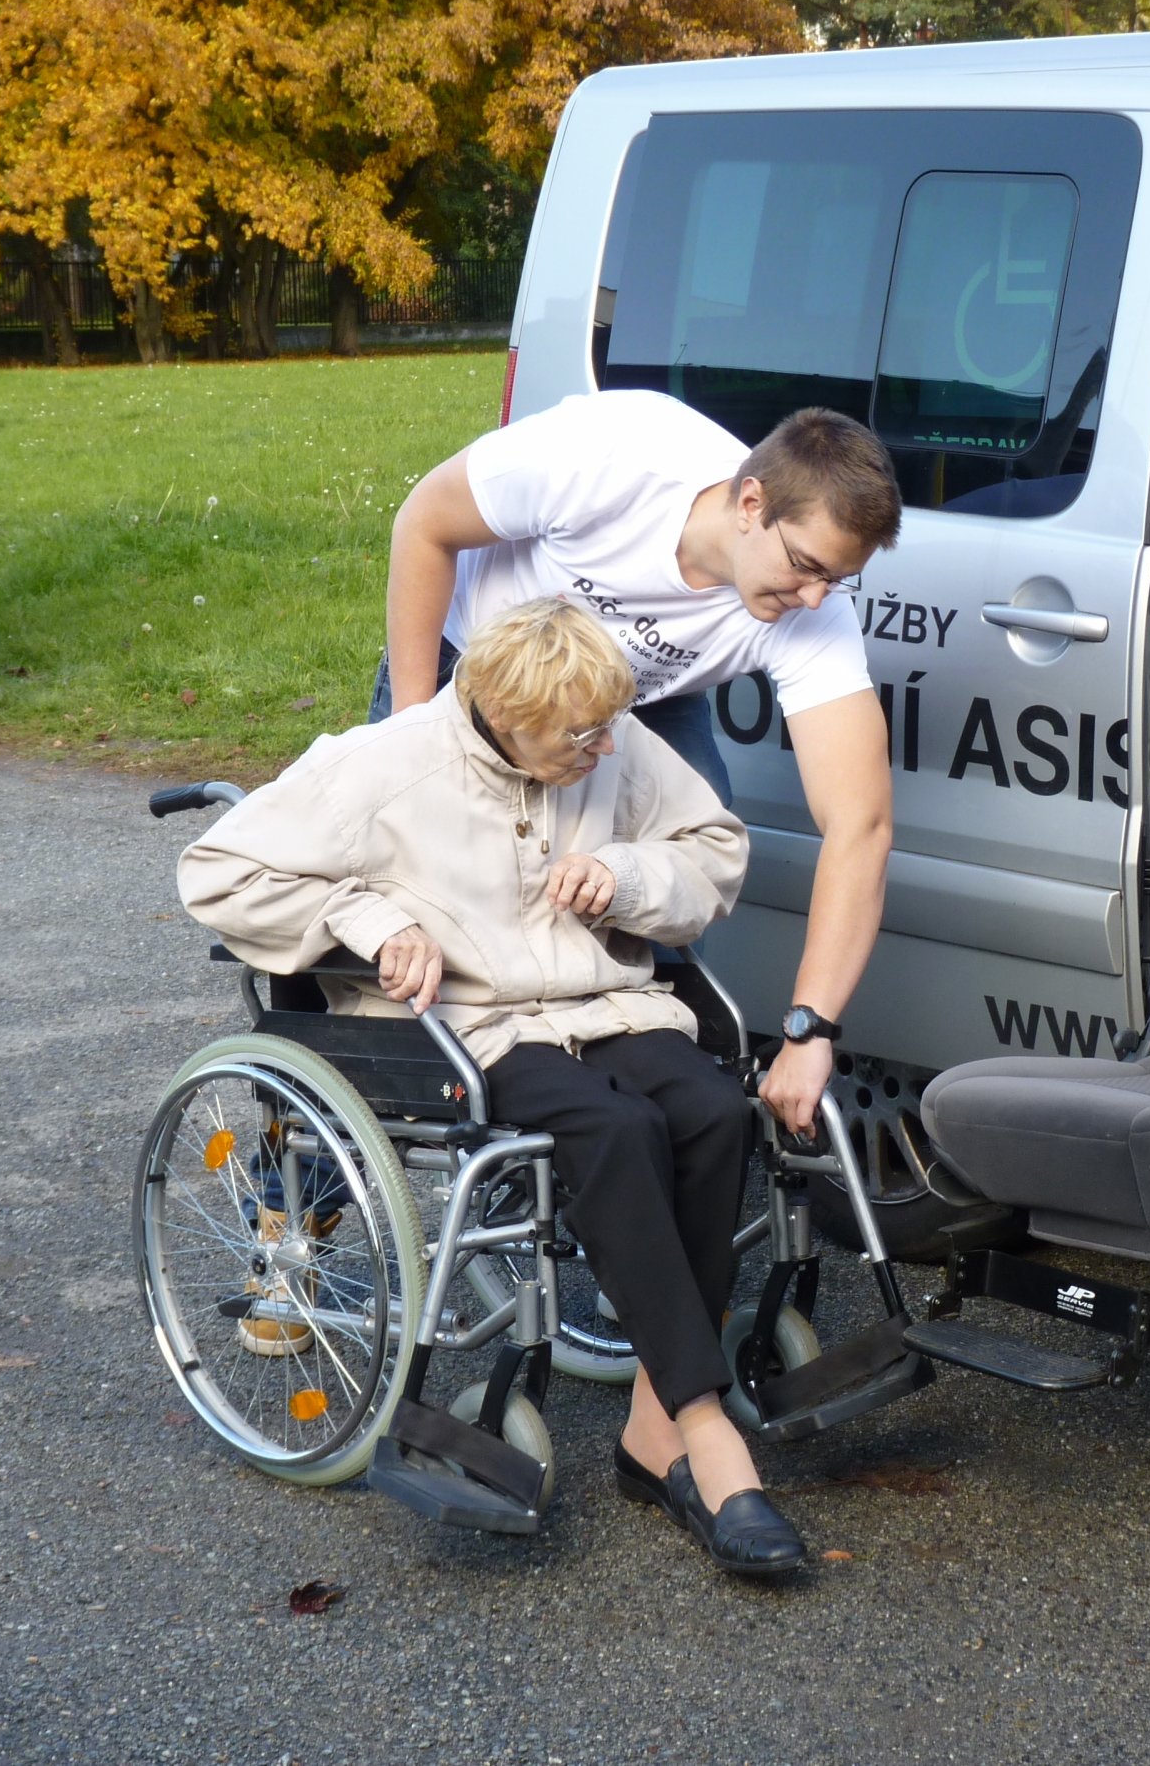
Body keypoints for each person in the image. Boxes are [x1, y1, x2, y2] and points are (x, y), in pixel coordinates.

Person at [181, 598, 807, 1576]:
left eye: (609, 725)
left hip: (607, 1006)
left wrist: (627, 873)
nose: (604, 749)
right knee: (615, 1133)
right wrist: (375, 921)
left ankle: (653, 1427)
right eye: (578, 736)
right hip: (466, 1029)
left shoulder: (610, 734)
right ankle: (706, 1429)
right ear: (506, 716)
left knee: (713, 1112)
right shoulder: (385, 765)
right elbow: (217, 870)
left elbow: (712, 847)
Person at [373, 390, 899, 1140]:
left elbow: (862, 825)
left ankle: (616, 1128)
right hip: (478, 668)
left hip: (635, 698)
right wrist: (412, 738)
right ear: (751, 501)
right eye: (807, 565)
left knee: (689, 852)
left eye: (836, 580)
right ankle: (303, 1191)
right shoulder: (615, 456)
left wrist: (811, 1031)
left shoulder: (811, 611)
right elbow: (424, 523)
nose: (816, 596)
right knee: (409, 893)